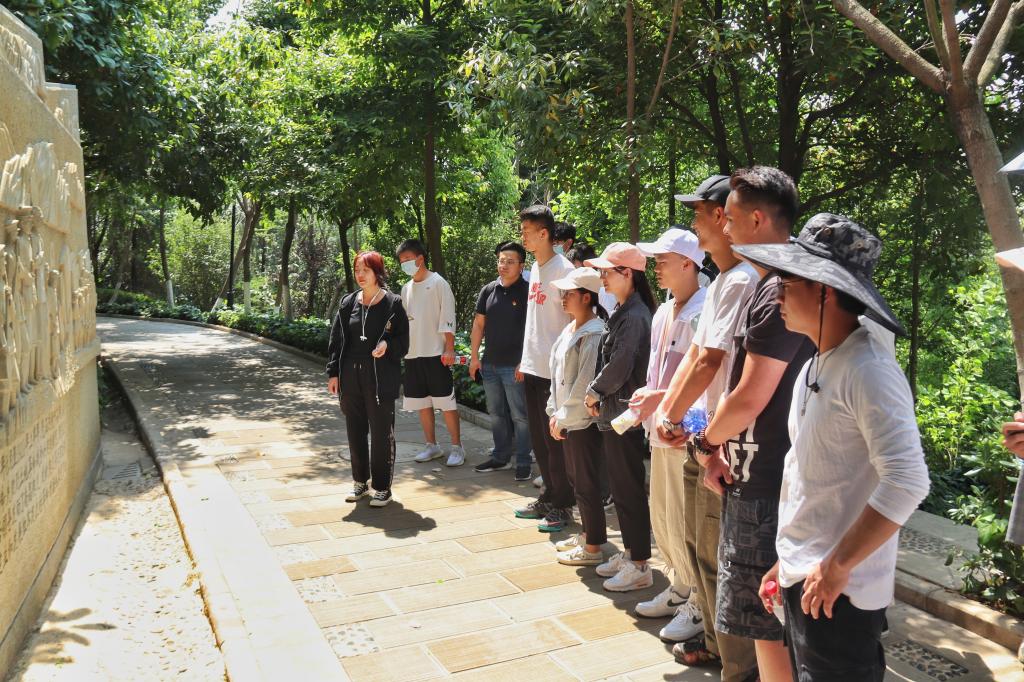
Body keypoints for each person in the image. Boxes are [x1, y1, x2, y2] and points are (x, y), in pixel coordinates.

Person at [733, 213, 929, 682]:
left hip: (842, 593)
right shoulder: (816, 364)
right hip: (809, 577)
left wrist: (837, 565)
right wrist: (787, 561)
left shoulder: (869, 369)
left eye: (788, 283)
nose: (777, 294)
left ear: (824, 290)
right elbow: (810, 476)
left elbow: (908, 480)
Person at [682, 167, 813, 682]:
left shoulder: (782, 288)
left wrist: (704, 441)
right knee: (763, 621)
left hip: (768, 482)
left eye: (730, 218)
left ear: (757, 219)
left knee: (767, 620)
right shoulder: (768, 285)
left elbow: (751, 394)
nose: (724, 227)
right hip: (751, 473)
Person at [654, 173, 759, 677]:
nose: (695, 226)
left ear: (723, 216)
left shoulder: (743, 281)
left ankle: (737, 665)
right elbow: (695, 355)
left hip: (728, 443)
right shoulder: (721, 281)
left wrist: (672, 416)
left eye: (698, 214)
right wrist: (669, 414)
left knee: (720, 556)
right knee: (700, 549)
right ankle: (718, 646)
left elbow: (708, 361)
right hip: (704, 435)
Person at [628, 227, 707, 643]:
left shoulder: (705, 310)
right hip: (659, 430)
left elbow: (707, 380)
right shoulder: (663, 311)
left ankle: (698, 603)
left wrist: (679, 416)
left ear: (688, 263)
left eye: (662, 260)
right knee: (663, 515)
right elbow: (658, 371)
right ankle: (679, 588)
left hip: (685, 434)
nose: (656, 268)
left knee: (686, 519)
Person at [583, 242, 657, 591]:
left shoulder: (635, 315)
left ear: (628, 273)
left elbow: (621, 362)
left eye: (607, 271)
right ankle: (630, 553)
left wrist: (595, 391)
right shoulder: (626, 311)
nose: (602, 278)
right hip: (617, 413)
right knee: (621, 487)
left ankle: (640, 563)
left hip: (625, 415)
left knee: (628, 489)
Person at [326, 251, 410, 507]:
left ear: (377, 272)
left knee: (382, 433)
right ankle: (360, 482)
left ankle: (382, 488)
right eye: (357, 270)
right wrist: (333, 372)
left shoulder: (393, 304)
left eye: (366, 270)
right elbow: (337, 340)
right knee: (355, 430)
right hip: (350, 375)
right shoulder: (348, 302)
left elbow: (403, 341)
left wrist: (387, 344)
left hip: (379, 376)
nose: (360, 275)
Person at [514, 205, 577, 532]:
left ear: (544, 234)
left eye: (527, 231)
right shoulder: (536, 269)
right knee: (540, 440)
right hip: (533, 367)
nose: (522, 236)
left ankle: (564, 505)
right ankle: (549, 497)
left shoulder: (564, 270)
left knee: (556, 442)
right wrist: (525, 360)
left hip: (556, 373)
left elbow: (577, 320)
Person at [545, 267, 609, 565]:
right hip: (567, 419)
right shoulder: (570, 328)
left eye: (569, 293)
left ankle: (593, 547)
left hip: (583, 421)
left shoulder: (594, 333)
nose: (563, 298)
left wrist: (563, 416)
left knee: (586, 483)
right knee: (576, 480)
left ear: (586, 297)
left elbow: (584, 383)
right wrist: (553, 411)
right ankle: (587, 535)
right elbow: (556, 376)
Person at [395, 239, 465, 466]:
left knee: (446, 403)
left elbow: (448, 317)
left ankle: (457, 447)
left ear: (420, 258)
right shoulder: (406, 288)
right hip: (413, 354)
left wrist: (449, 348)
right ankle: (431, 446)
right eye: (401, 261)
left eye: (408, 259)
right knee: (422, 403)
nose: (404, 264)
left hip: (437, 354)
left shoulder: (438, 283)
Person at [469, 241, 533, 481]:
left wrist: (525, 361)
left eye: (510, 261)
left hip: (515, 365)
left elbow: (533, 330)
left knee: (520, 416)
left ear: (521, 265)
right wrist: (474, 357)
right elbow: (479, 325)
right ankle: (501, 456)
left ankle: (524, 461)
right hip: (490, 364)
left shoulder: (528, 291)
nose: (504, 265)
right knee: (496, 413)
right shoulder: (488, 290)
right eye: (501, 261)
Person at [566, 242, 618, 313]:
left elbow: (608, 316)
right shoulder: (580, 290)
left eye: (574, 267)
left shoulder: (604, 291)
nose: (571, 272)